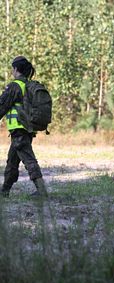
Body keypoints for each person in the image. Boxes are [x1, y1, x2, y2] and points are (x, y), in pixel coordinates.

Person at [0, 56, 48, 197]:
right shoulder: (28, 85)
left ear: (16, 69)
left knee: (28, 159)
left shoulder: (15, 86)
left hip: (19, 128)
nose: (11, 71)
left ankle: (41, 190)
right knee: (12, 161)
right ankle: (4, 191)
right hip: (27, 128)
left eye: (12, 69)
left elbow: (2, 106)